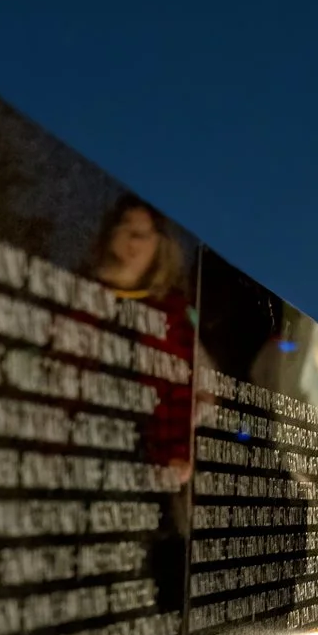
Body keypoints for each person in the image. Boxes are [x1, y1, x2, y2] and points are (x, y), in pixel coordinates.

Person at [85, 196, 194, 489]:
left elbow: (182, 391)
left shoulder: (173, 313)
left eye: (143, 234)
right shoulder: (83, 296)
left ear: (159, 244)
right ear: (110, 234)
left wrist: (176, 453)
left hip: (143, 457)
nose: (133, 240)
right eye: (126, 228)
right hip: (85, 446)